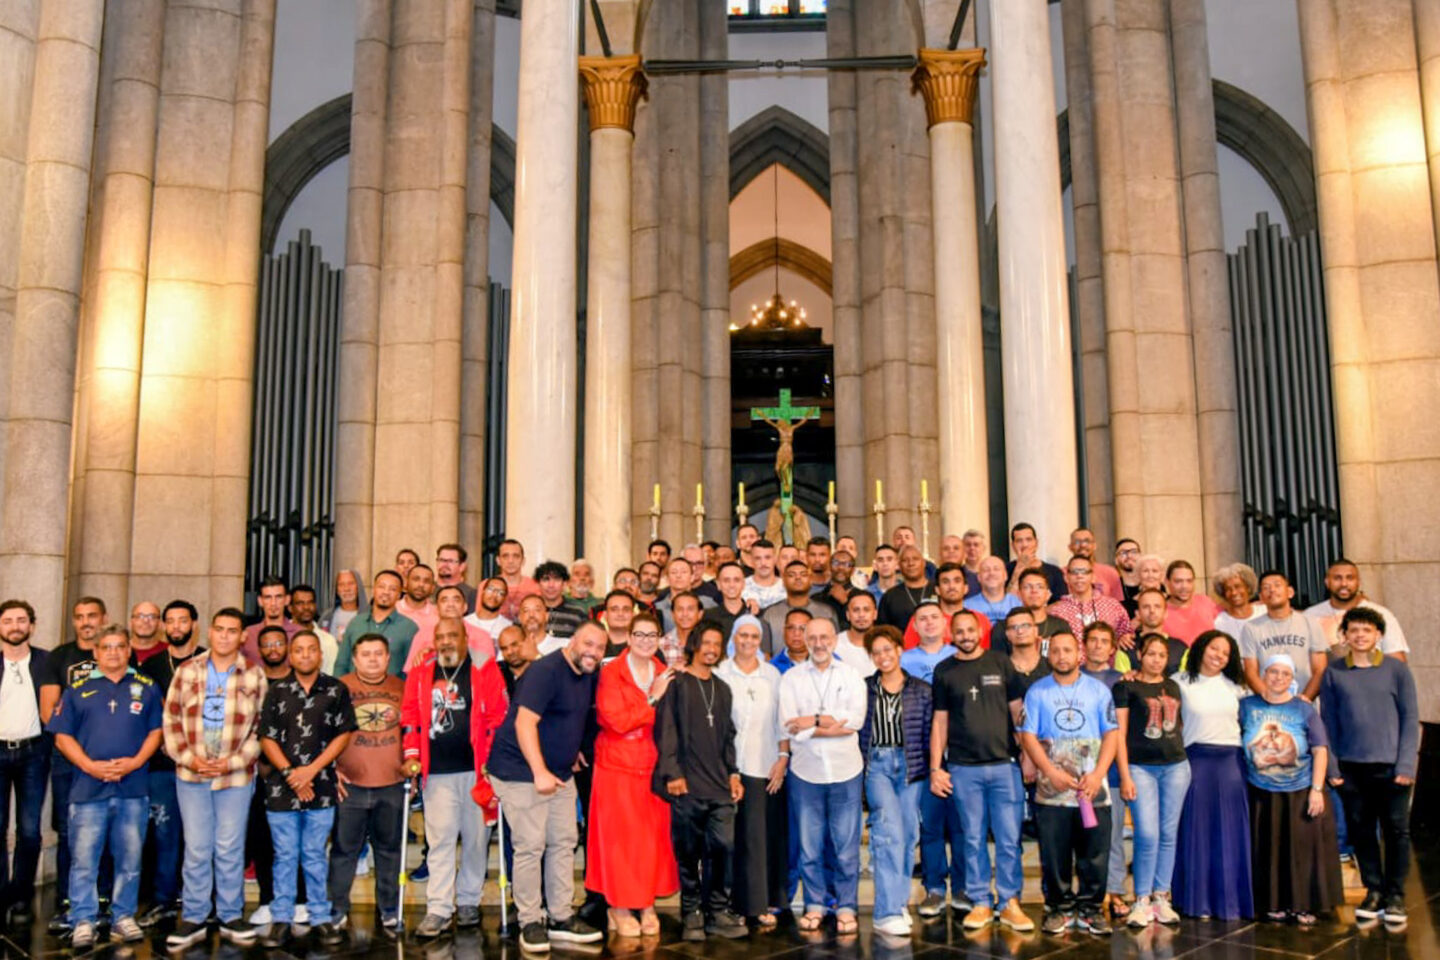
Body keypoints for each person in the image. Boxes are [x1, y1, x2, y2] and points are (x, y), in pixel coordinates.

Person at [486, 622, 608, 951]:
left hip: (559, 771)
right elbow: (525, 723)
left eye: (600, 648)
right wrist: (539, 770)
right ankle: (530, 920)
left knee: (564, 841)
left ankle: (560, 916)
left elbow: (570, 717)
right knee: (530, 845)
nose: (593, 652)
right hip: (520, 769)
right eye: (588, 644)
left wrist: (572, 749)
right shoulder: (545, 671)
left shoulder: (587, 673)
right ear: (573, 641)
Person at [47, 625, 163, 948]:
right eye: (107, 647)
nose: (113, 652)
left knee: (130, 859)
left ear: (129, 651)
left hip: (133, 788)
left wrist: (134, 762)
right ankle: (82, 919)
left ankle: (123, 916)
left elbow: (156, 732)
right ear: (96, 652)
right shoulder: (77, 689)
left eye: (120, 646)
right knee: (84, 860)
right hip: (88, 789)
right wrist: (90, 766)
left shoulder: (147, 687)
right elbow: (62, 737)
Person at [163, 608, 268, 949]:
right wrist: (189, 759)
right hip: (191, 774)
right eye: (219, 629)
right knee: (197, 847)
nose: (224, 636)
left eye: (231, 630)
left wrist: (231, 763)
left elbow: (261, 729)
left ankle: (230, 915)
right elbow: (170, 721)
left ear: (242, 636)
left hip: (235, 776)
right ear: (209, 632)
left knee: (229, 847)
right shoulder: (187, 671)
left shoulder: (254, 674)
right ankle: (194, 917)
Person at [400, 617, 508, 938]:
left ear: (465, 638)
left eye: (452, 635)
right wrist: (411, 755)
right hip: (437, 773)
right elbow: (409, 715)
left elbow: (498, 717)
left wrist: (493, 762)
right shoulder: (421, 671)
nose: (446, 641)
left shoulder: (484, 667)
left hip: (477, 772)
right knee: (440, 841)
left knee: (476, 840)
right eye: (440, 637)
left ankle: (469, 901)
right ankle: (439, 908)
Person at [929, 611, 1032, 933]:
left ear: (980, 631)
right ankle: (980, 902)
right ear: (951, 634)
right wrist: (935, 768)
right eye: (959, 631)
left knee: (1008, 840)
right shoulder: (944, 670)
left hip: (1005, 766)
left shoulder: (1001, 663)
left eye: (970, 630)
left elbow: (1018, 712)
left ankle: (1010, 902)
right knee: (972, 839)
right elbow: (940, 721)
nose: (965, 636)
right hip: (964, 769)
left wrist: (1028, 755)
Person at [1320, 607, 1419, 925]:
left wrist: (1406, 764)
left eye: (1367, 630)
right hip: (1352, 768)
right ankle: (1373, 890)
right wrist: (1333, 768)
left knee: (1396, 832)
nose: (1360, 635)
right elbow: (1328, 723)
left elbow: (1409, 718)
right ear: (1345, 636)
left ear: (1378, 635)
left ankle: (1396, 895)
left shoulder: (1396, 670)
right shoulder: (1334, 673)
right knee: (1361, 831)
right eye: (1354, 630)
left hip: (1392, 768)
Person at [257, 631, 355, 947]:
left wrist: (311, 771)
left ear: (319, 654)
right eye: (298, 650)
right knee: (284, 855)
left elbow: (343, 734)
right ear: (291, 655)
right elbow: (266, 738)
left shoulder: (336, 689)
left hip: (321, 786)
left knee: (314, 855)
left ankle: (320, 918)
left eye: (311, 649)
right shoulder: (277, 691)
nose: (305, 655)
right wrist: (291, 774)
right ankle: (281, 919)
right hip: (282, 788)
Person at [1018, 631, 1119, 937]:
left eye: (1068, 650)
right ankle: (1058, 907)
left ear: (1079, 654)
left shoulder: (1099, 691)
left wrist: (1098, 774)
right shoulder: (1037, 692)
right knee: (1054, 852)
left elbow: (1111, 734)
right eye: (1056, 651)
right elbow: (1027, 735)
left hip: (1092, 785)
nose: (1062, 656)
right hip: (1053, 788)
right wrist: (1049, 770)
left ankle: (1090, 909)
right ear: (1048, 655)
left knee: (1095, 851)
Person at [585, 612, 678, 937]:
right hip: (616, 765)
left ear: (659, 639)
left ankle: (646, 903)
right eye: (639, 635)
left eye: (651, 636)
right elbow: (616, 721)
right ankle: (619, 906)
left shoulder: (665, 672)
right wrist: (652, 698)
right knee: (619, 842)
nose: (645, 642)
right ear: (628, 637)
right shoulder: (611, 672)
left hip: (652, 765)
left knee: (651, 841)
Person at [656, 623, 748, 940]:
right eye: (706, 642)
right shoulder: (677, 684)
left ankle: (717, 912)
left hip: (720, 786)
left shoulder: (722, 688)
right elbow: (666, 729)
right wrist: (672, 773)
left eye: (717, 644)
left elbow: (728, 736)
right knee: (688, 853)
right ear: (694, 644)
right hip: (686, 785)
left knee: (723, 848)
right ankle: (692, 913)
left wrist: (734, 773)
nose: (711, 649)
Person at [778, 618, 868, 935]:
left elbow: (856, 721)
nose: (818, 643)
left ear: (834, 639)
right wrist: (830, 724)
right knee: (809, 847)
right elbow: (789, 726)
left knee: (845, 848)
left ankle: (846, 907)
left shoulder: (851, 675)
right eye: (812, 637)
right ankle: (814, 905)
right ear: (804, 639)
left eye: (824, 637)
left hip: (846, 772)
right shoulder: (791, 679)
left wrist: (812, 721)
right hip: (806, 773)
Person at [1241, 653, 1341, 925]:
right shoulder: (1247, 706)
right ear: (1263, 674)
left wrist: (1317, 789)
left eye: (1285, 674)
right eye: (1273, 672)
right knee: (1269, 851)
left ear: (1292, 679)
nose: (1278, 678)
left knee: (1301, 851)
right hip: (1260, 791)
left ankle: (1302, 905)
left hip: (1299, 790)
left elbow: (1320, 750)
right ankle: (1273, 903)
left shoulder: (1304, 709)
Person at [1172, 630, 1252, 920]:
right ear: (1200, 648)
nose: (1219, 655)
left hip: (1231, 764)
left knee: (1230, 833)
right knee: (1197, 832)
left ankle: (1231, 903)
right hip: (1196, 762)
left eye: (1226, 653)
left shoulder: (1237, 687)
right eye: (1214, 648)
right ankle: (1197, 901)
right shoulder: (1179, 682)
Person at [38, 595, 107, 934]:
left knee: (107, 825)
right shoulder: (59, 657)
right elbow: (48, 711)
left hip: (108, 756)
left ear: (103, 618)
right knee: (69, 829)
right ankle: (68, 900)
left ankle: (103, 898)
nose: (85, 622)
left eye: (92, 615)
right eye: (79, 616)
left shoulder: (115, 654)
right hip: (68, 755)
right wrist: (78, 748)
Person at [858, 625, 932, 936]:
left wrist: (931, 769)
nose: (883, 656)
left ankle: (898, 901)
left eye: (888, 649)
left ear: (900, 650)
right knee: (888, 834)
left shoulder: (921, 690)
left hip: (911, 767)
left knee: (907, 836)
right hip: (877, 765)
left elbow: (929, 734)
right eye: (876, 652)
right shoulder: (863, 688)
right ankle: (885, 912)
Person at [330, 633, 407, 932]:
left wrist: (413, 768)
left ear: (388, 658)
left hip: (392, 783)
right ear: (354, 659)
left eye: (378, 653)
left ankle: (389, 908)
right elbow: (323, 731)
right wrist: (330, 769)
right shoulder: (338, 688)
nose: (373, 659)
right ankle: (336, 908)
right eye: (366, 654)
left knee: (389, 850)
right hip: (350, 785)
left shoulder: (402, 687)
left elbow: (413, 730)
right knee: (344, 851)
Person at [1111, 634, 1189, 928]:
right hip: (1140, 768)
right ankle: (1141, 898)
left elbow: (1179, 725)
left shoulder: (1173, 686)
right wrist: (1125, 774)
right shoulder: (1125, 687)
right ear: (1140, 656)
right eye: (1151, 654)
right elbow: (1119, 734)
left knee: (1168, 833)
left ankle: (1161, 896)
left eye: (1162, 655)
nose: (1156, 660)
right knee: (1147, 834)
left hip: (1175, 766)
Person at [716, 616, 789, 928]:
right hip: (727, 768)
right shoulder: (721, 672)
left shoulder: (771, 674)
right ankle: (726, 904)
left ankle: (757, 903)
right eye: (742, 635)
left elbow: (782, 720)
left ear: (761, 640)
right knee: (728, 840)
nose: (748, 641)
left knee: (758, 839)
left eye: (754, 636)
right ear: (734, 637)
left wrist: (783, 757)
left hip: (763, 765)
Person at [136, 600, 204, 927]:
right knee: (164, 833)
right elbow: (143, 710)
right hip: (161, 764)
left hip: (201, 763)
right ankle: (162, 900)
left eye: (183, 620)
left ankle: (200, 902)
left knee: (200, 836)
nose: (177, 627)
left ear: (194, 624)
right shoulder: (151, 665)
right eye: (171, 621)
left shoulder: (208, 660)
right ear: (164, 626)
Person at [900, 601, 965, 917]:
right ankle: (935, 889)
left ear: (945, 622)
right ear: (914, 625)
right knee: (931, 825)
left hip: (962, 751)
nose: (928, 623)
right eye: (922, 618)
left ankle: (964, 887)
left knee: (963, 825)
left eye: (934, 617)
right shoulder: (904, 660)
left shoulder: (959, 656)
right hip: (922, 752)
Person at [244, 627, 301, 926]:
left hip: (297, 774)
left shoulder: (300, 682)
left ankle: (301, 900)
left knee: (298, 841)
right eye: (267, 644)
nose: (273, 648)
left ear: (287, 647)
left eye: (279, 642)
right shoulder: (252, 682)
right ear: (259, 649)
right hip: (259, 773)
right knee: (262, 839)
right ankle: (267, 899)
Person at [0, 600, 49, 927]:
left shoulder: (46, 661)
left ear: (31, 625)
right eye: (7, 621)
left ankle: (20, 897)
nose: (15, 626)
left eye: (21, 620)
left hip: (34, 752)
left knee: (30, 831)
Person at [1238, 571, 1328, 699]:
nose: (1272, 590)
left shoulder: (1310, 623)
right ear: (1261, 597)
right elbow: (1251, 672)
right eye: (1266, 587)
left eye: (1277, 585)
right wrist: (1272, 700)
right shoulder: (1251, 628)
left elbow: (1320, 670)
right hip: (1268, 704)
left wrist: (1304, 701)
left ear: (1290, 592)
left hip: (1305, 701)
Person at [1304, 559, 1409, 660]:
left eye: (1350, 578)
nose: (1344, 584)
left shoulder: (1381, 614)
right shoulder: (1310, 616)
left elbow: (1397, 662)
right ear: (1327, 582)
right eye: (1337, 578)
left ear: (1358, 582)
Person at [335, 569, 418, 676]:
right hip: (353, 686)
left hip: (392, 686)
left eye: (392, 589)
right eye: (381, 587)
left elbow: (411, 671)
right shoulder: (356, 622)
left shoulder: (409, 628)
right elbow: (341, 664)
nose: (386, 592)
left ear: (399, 595)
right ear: (374, 589)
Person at [1049, 556, 1133, 651]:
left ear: (1093, 577)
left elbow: (1127, 634)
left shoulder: (1113, 606)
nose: (1079, 576)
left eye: (1084, 572)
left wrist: (1124, 637)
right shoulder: (1057, 611)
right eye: (1074, 572)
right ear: (1066, 578)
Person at [406, 584, 494, 671]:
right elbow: (410, 670)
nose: (450, 604)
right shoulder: (423, 634)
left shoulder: (482, 636)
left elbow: (488, 670)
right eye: (444, 600)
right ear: (437, 609)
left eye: (456, 600)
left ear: (465, 607)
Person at [759, 561, 834, 645]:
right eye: (791, 575)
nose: (798, 578)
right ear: (783, 581)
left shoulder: (827, 613)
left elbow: (835, 646)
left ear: (810, 580)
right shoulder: (769, 614)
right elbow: (764, 650)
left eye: (803, 575)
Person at [242, 577, 303, 663]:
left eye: (278, 597)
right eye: (268, 597)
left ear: (287, 599)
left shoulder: (300, 633)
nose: (273, 603)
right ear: (260, 601)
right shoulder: (248, 634)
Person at [1160, 561, 1219, 645]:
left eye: (1189, 581)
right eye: (1178, 581)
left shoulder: (1205, 602)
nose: (1184, 586)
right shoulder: (1159, 610)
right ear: (1167, 582)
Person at [878, 546, 937, 630]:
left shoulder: (938, 590)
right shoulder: (889, 597)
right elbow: (883, 631)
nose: (911, 563)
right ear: (899, 566)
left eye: (915, 559)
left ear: (924, 563)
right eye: (905, 560)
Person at [1132, 589, 1189, 674]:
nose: (1152, 611)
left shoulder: (1181, 648)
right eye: (1146, 607)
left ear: (1166, 613)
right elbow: (1121, 679)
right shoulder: (1128, 648)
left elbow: (1185, 680)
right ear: (1138, 614)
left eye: (1157, 606)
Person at [1005, 523, 1066, 599]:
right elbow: (1006, 602)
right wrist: (1020, 568)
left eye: (1029, 539)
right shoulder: (1004, 570)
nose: (1025, 545)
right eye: (1019, 541)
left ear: (1036, 543)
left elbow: (1061, 602)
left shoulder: (1054, 571)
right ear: (1013, 546)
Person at [289, 585, 338, 675]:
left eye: (310, 602)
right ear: (290, 608)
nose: (306, 607)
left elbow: (331, 675)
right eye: (300, 603)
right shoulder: (282, 636)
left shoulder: (328, 641)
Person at [965, 556, 1023, 630]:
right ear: (979, 577)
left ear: (1005, 576)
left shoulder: (1018, 604)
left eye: (996, 569)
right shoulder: (967, 607)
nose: (991, 573)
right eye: (986, 570)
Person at [535, 561, 588, 640]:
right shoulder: (528, 610)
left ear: (565, 584)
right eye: (546, 579)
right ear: (538, 584)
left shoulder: (578, 613)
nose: (551, 585)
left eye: (556, 579)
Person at [1211, 563, 1265, 640]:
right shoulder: (1219, 623)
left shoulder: (1264, 612)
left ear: (1248, 588)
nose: (1234, 592)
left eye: (1238, 586)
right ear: (1223, 594)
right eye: (1228, 589)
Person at [1069, 528, 1122, 600]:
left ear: (1094, 546)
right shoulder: (1062, 574)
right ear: (1070, 547)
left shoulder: (1110, 572)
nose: (1083, 545)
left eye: (1087, 541)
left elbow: (1118, 602)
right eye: (1077, 542)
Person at [834, 591, 878, 677]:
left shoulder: (887, 644)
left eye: (866, 610)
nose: (861, 615)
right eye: (856, 610)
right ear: (848, 615)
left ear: (875, 614)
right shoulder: (834, 644)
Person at [814, 551, 861, 628]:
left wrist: (845, 602)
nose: (840, 568)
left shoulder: (861, 596)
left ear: (853, 570)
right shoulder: (817, 598)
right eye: (836, 563)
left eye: (846, 564)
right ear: (829, 567)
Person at [496, 539, 540, 621]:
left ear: (523, 560)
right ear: (498, 561)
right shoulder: (487, 585)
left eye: (516, 556)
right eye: (505, 556)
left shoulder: (535, 587)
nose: (510, 561)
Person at [742, 539, 786, 612]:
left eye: (767, 557)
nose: (763, 563)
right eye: (758, 558)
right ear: (751, 560)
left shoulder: (787, 587)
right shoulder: (740, 587)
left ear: (775, 559)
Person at [322, 569, 366, 640]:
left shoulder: (368, 617)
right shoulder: (327, 617)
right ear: (336, 590)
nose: (346, 589)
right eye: (341, 584)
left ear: (358, 587)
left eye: (351, 583)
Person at [435, 542, 478, 613]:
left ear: (462, 567)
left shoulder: (471, 594)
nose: (444, 564)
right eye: (441, 560)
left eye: (450, 561)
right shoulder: (427, 591)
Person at [496, 625, 535, 696]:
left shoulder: (540, 669)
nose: (510, 652)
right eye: (504, 648)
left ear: (527, 642)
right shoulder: (496, 672)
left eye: (514, 645)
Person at [771, 608, 812, 673]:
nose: (796, 633)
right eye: (791, 628)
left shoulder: (825, 663)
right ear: (784, 631)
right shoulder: (772, 667)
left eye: (803, 628)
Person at [1114, 540, 1143, 615]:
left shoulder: (1151, 583)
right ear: (1116, 560)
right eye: (1123, 553)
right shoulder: (1113, 587)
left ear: (1141, 556)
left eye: (1134, 552)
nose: (1129, 556)